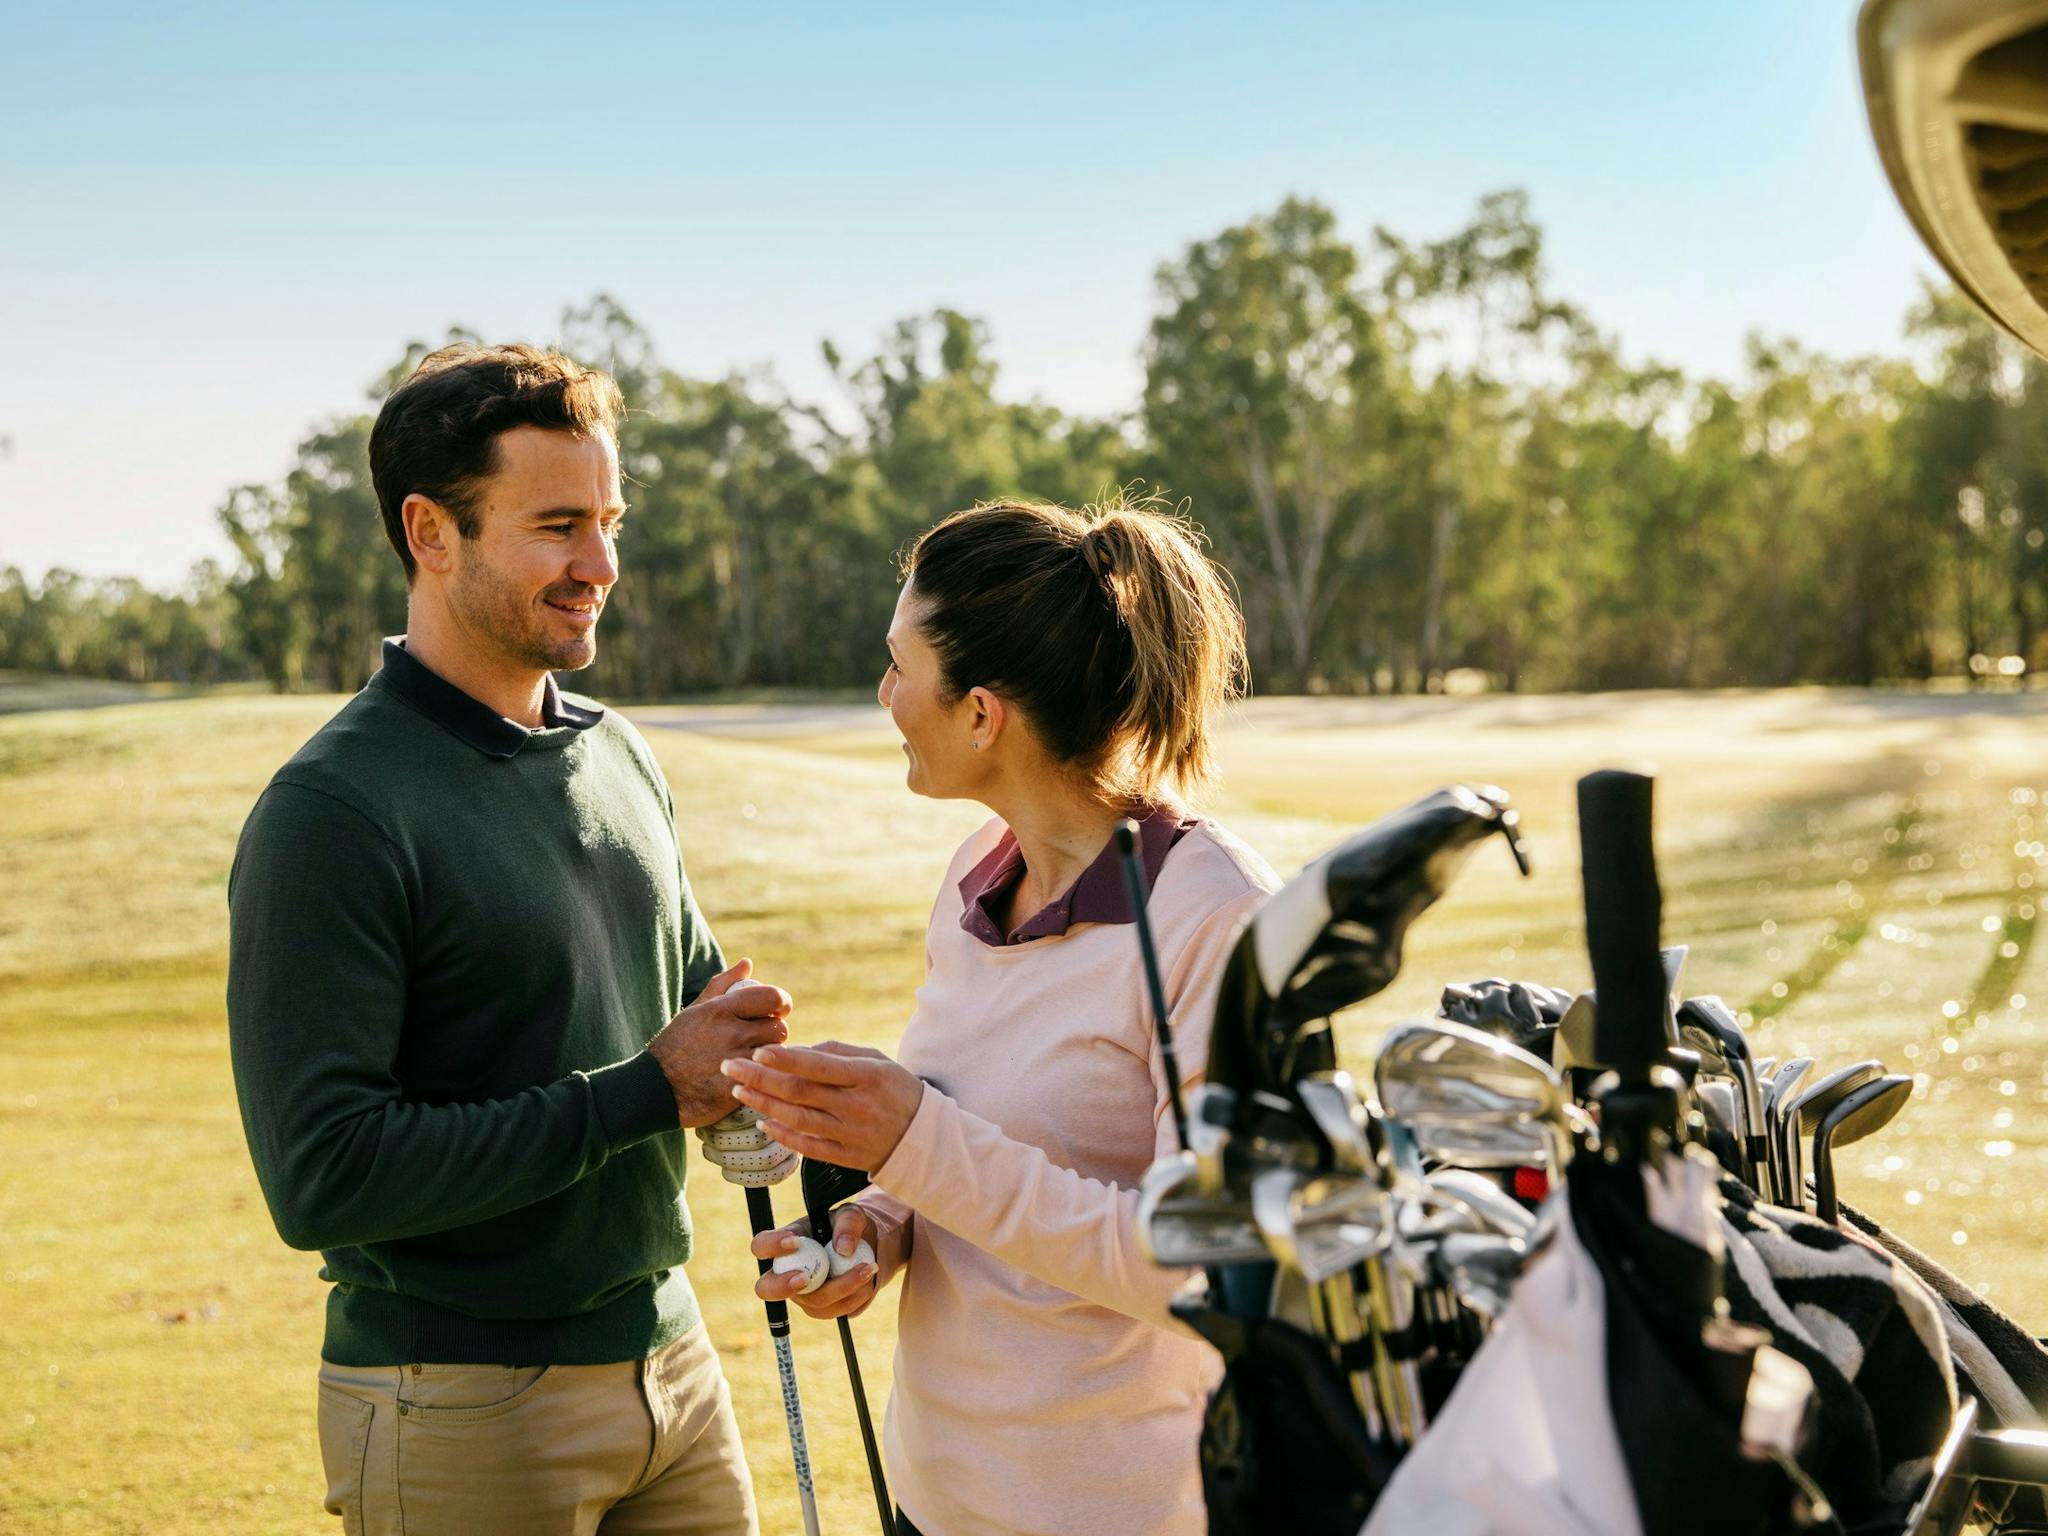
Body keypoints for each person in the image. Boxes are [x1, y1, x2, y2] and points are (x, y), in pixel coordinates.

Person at [226, 344, 789, 1535]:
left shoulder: (619, 754)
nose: (603, 565)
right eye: (558, 526)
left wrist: (770, 1094)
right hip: (455, 1403)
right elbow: (324, 1177)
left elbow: (699, 1033)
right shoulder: (334, 810)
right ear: (432, 534)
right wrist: (645, 1093)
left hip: (674, 1369)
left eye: (610, 519)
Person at [723, 498, 1279, 1536]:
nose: (884, 695)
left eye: (900, 667)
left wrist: (911, 1141)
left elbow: (1202, 1271)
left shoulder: (1213, 914)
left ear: (981, 713)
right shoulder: (976, 877)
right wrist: (868, 1231)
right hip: (932, 1500)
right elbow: (964, 1144)